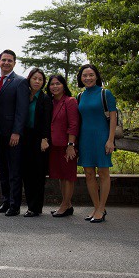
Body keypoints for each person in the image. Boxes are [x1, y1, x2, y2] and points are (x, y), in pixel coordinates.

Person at [77, 64, 117, 223]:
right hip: (85, 138)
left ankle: (101, 208)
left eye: (91, 75)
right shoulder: (80, 96)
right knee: (88, 174)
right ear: (81, 78)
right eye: (84, 75)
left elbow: (113, 118)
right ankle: (96, 207)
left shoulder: (105, 93)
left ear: (97, 76)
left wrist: (110, 140)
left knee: (103, 172)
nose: (88, 78)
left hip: (102, 137)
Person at [0, 50, 29, 216]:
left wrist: (16, 132)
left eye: (10, 61)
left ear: (14, 63)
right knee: (3, 170)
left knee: (14, 170)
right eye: (4, 60)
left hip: (12, 135)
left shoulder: (20, 82)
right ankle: (5, 201)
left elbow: (22, 110)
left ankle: (15, 205)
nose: (6, 63)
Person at [20, 68, 52, 217]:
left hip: (39, 139)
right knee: (26, 173)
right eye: (34, 78)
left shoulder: (45, 99)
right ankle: (29, 205)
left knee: (37, 174)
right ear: (29, 79)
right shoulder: (25, 96)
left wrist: (45, 139)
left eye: (40, 79)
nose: (37, 81)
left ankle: (35, 207)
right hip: (25, 137)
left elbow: (47, 121)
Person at [47, 74, 79, 217]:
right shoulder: (50, 102)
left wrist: (71, 144)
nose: (55, 86)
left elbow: (74, 124)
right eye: (52, 84)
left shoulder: (70, 101)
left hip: (67, 145)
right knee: (61, 175)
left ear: (64, 85)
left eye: (58, 83)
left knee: (68, 176)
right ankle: (67, 204)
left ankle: (65, 205)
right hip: (54, 145)